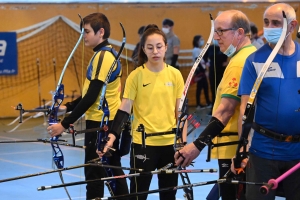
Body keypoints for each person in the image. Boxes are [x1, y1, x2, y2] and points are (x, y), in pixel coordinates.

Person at [174, 10, 256, 200]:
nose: (216, 37)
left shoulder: (239, 63)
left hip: (233, 149)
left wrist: (196, 145)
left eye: (220, 31)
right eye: (215, 32)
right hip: (239, 147)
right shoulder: (251, 55)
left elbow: (225, 111)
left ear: (240, 33)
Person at [98, 24, 185, 200]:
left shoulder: (175, 75)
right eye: (150, 47)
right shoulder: (136, 76)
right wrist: (112, 137)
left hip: (169, 145)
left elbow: (181, 112)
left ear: (166, 47)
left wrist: (183, 143)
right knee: (139, 195)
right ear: (143, 49)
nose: (155, 51)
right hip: (143, 145)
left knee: (169, 195)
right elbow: (124, 110)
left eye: (159, 46)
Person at [47, 12, 128, 199]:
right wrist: (68, 107)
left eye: (87, 31)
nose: (83, 35)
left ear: (101, 32)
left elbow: (92, 97)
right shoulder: (102, 54)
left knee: (95, 173)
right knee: (110, 170)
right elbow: (93, 92)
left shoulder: (103, 56)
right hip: (104, 121)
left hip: (101, 123)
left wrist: (64, 124)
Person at [233, 3, 300, 200]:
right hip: (263, 151)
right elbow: (244, 110)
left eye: (276, 23)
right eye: (266, 22)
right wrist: (242, 151)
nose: (269, 27)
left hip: (297, 153)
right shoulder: (254, 60)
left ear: (292, 25)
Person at [203, 40, 228, 115]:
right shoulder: (210, 48)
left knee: (222, 90)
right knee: (214, 90)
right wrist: (207, 65)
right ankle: (214, 108)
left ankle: (223, 108)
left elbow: (231, 55)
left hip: (222, 72)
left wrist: (227, 62)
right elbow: (204, 58)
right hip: (212, 72)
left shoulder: (224, 46)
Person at [192, 35, 211, 109]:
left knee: (205, 87)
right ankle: (198, 104)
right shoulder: (196, 50)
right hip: (200, 71)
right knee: (200, 87)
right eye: (201, 39)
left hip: (203, 70)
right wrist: (204, 71)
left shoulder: (200, 50)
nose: (202, 41)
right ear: (197, 41)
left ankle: (207, 102)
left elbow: (204, 59)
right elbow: (198, 61)